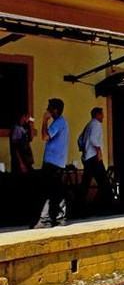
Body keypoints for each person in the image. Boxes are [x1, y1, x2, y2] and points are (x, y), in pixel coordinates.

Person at [34, 98, 69, 228]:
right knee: (56, 190)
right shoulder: (61, 122)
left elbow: (45, 136)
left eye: (49, 108)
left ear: (55, 110)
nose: (47, 110)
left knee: (48, 191)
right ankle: (59, 218)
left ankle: (46, 219)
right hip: (57, 162)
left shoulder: (58, 122)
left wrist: (44, 120)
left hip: (53, 163)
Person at [78, 107, 112, 210]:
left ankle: (80, 203)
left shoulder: (89, 125)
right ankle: (105, 204)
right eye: (102, 114)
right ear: (97, 115)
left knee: (86, 182)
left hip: (87, 157)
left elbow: (80, 139)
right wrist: (98, 151)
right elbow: (93, 139)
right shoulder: (97, 124)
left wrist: (83, 149)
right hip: (94, 157)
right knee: (103, 181)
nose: (103, 116)